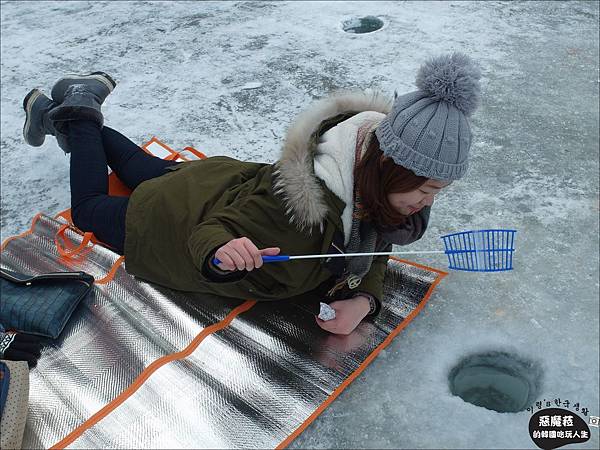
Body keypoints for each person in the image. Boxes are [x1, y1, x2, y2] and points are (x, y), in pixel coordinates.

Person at [21, 52, 481, 335]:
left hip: (211, 181)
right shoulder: (296, 208)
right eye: (424, 188)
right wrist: (221, 253)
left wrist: (365, 301)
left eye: (437, 190)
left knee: (145, 168)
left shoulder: (376, 195)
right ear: (387, 167)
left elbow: (376, 250)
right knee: (88, 209)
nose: (427, 201)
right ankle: (79, 115)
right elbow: (210, 231)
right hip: (169, 220)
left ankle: (65, 109)